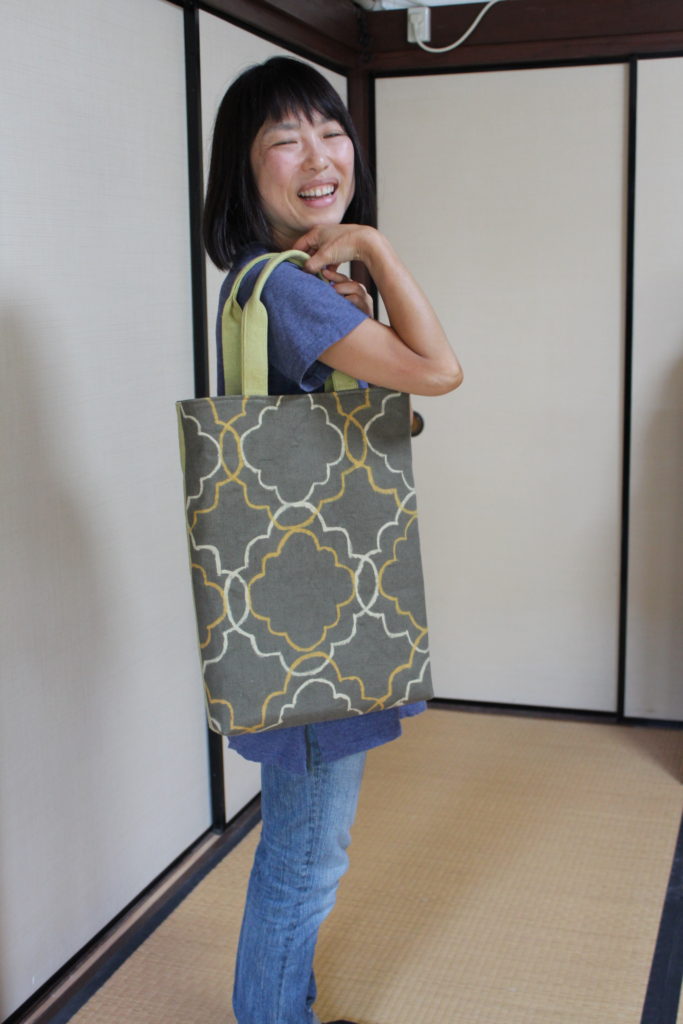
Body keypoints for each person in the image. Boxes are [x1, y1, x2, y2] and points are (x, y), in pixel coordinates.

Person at [202, 56, 462, 1024]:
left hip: (293, 598)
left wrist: (354, 288)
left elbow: (381, 397)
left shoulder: (261, 284)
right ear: (245, 169)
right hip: (308, 613)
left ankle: (285, 1004)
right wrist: (379, 250)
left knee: (303, 847)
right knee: (306, 857)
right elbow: (437, 371)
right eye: (285, 139)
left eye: (330, 130)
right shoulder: (288, 289)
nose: (318, 157)